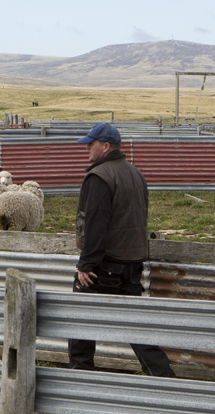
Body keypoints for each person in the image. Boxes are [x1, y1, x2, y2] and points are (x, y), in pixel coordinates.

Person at [67, 122, 176, 377]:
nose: (87, 150)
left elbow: (96, 222)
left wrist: (87, 264)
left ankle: (81, 381)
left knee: (81, 321)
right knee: (136, 327)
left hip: (103, 266)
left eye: (91, 145)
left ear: (105, 147)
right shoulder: (136, 174)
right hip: (132, 264)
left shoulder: (99, 176)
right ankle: (165, 381)